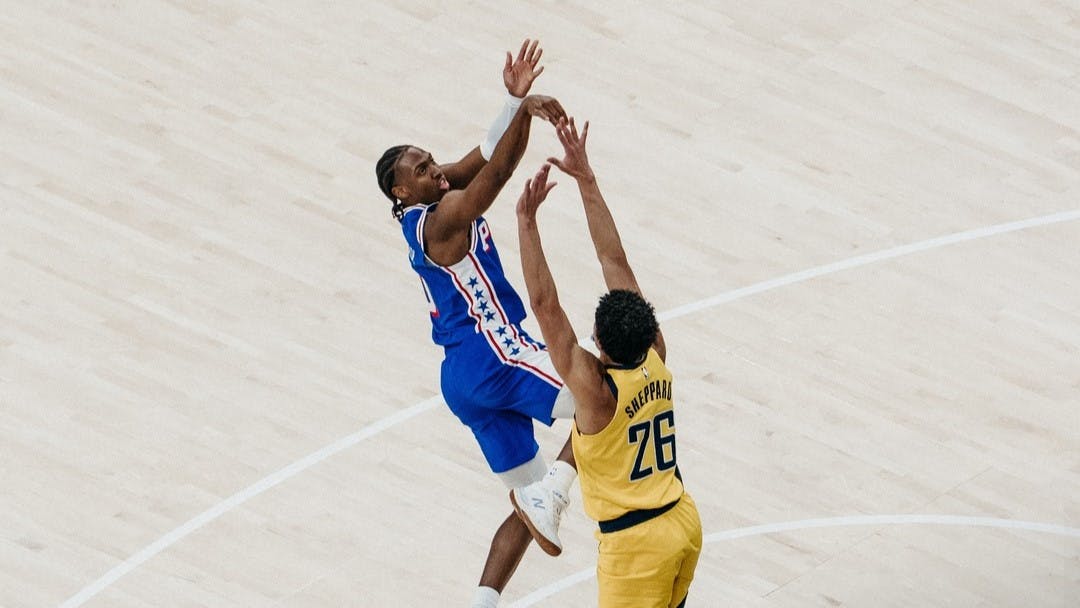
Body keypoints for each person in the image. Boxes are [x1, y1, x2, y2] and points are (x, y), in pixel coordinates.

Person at [374, 40, 577, 608]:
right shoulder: (440, 224)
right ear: (401, 191)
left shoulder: (433, 196)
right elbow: (499, 172)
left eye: (430, 160)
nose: (435, 169)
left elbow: (480, 156)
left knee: (526, 500)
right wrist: (524, 106)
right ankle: (560, 491)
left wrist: (516, 105)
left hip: (463, 380)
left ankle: (481, 603)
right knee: (604, 396)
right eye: (421, 168)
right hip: (497, 358)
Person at [512, 117, 702, 608]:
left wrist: (527, 224)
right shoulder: (656, 352)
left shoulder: (596, 395)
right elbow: (614, 260)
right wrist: (587, 180)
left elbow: (545, 305)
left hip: (636, 548)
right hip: (682, 519)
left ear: (598, 342)